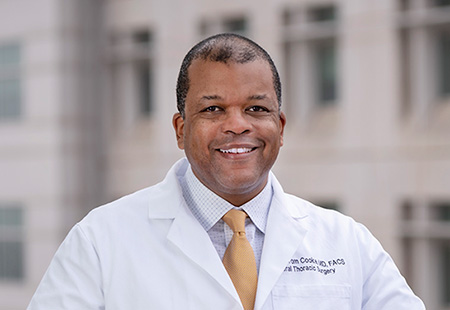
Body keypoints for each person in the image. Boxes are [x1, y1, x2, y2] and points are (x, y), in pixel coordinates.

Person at [28, 33, 425, 310]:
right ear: (181, 129)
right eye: (213, 109)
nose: (237, 125)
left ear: (280, 127)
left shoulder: (348, 243)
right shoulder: (100, 242)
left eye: (256, 108)